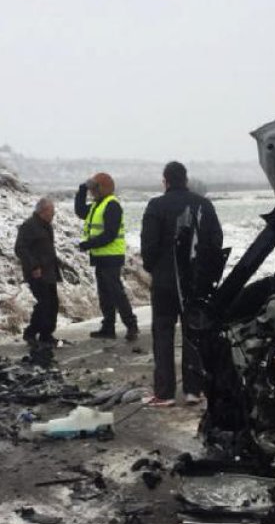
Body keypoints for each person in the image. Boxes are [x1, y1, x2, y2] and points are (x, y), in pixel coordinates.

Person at [139, 161, 223, 407]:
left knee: (163, 334)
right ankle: (193, 390)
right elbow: (216, 241)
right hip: (196, 284)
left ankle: (164, 393)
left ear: (165, 181)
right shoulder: (204, 205)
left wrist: (154, 268)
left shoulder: (155, 206)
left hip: (165, 283)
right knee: (194, 334)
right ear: (186, 180)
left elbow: (149, 246)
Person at [74, 172, 139, 341]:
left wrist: (88, 244)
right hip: (101, 256)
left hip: (111, 256)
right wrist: (81, 190)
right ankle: (108, 327)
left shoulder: (112, 205)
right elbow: (80, 211)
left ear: (102, 189)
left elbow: (110, 234)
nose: (92, 192)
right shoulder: (97, 205)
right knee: (105, 294)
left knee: (116, 293)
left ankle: (131, 325)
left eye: (94, 189)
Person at [14, 197, 60, 348]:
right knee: (44, 303)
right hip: (37, 273)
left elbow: (46, 248)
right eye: (51, 212)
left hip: (49, 271)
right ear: (42, 211)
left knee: (53, 304)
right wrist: (34, 266)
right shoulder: (29, 226)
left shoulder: (47, 226)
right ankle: (31, 333)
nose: (53, 215)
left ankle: (46, 335)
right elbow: (20, 248)